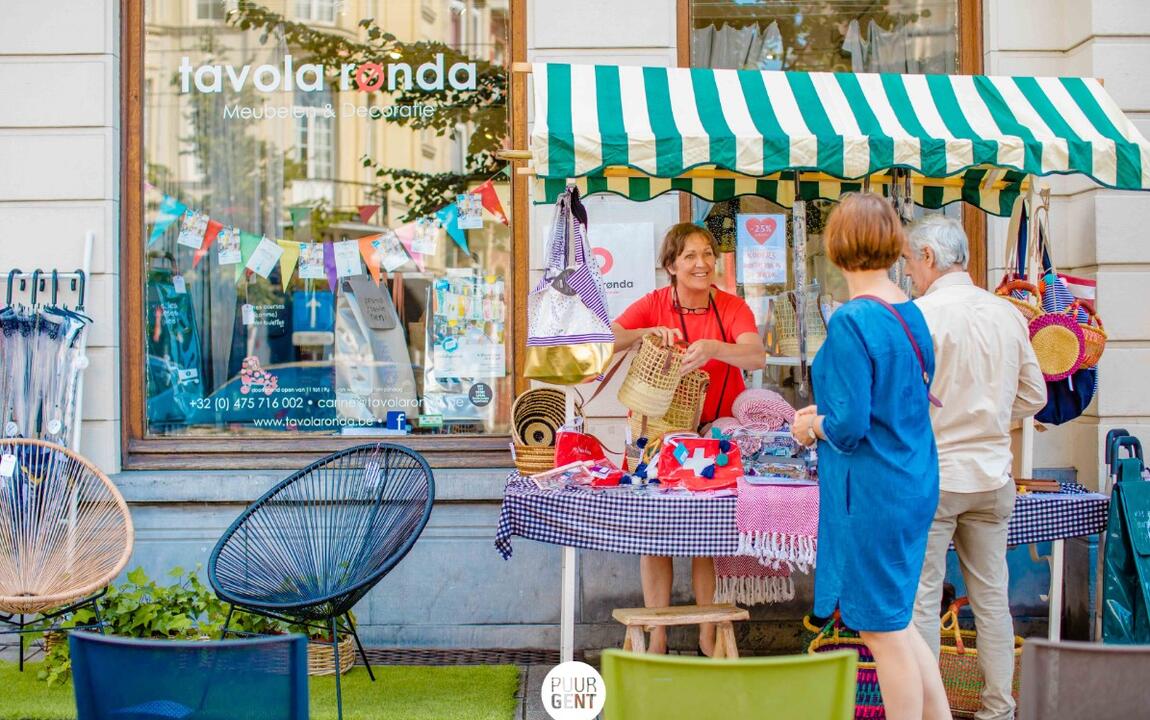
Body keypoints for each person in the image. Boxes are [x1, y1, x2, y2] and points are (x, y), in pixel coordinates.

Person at [789, 193, 949, 720]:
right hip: (912, 477)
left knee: (882, 631)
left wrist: (812, 425)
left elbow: (851, 427)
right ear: (893, 245)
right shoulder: (909, 312)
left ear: (835, 249)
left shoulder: (852, 319)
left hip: (876, 489)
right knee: (897, 621)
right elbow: (886, 401)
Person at [904, 215, 1046, 720]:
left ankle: (927, 710)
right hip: (991, 477)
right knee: (992, 601)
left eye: (909, 261)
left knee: (920, 603)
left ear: (927, 258)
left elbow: (904, 405)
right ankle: (999, 709)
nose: (908, 272)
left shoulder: (918, 315)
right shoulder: (1005, 313)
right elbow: (1035, 394)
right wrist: (988, 416)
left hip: (935, 477)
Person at [613, 222, 765, 655]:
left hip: (714, 432)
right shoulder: (654, 304)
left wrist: (717, 348)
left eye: (708, 254)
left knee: (706, 537)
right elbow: (606, 341)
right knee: (654, 534)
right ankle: (657, 637)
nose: (701, 264)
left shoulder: (732, 307)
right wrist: (645, 333)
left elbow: (755, 353)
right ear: (671, 266)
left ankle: (706, 632)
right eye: (690, 256)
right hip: (656, 434)